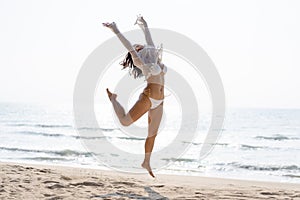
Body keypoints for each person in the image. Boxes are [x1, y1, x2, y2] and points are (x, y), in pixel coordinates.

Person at [102, 15, 167, 178]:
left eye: (140, 45)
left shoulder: (154, 56)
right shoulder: (142, 64)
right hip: (148, 97)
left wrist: (145, 26)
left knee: (152, 134)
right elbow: (128, 45)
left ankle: (146, 161)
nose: (139, 46)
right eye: (137, 47)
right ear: (137, 53)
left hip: (160, 102)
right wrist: (115, 30)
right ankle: (114, 99)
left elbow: (149, 40)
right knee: (125, 121)